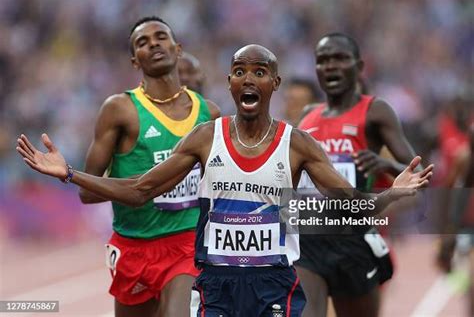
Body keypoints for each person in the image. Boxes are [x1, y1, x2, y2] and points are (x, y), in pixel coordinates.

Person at [17, 44, 433, 317]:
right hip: (216, 285)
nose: (248, 79)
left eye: (259, 72)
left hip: (273, 283)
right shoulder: (204, 137)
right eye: (239, 71)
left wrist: (391, 195)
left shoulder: (297, 144)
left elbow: (345, 202)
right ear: (230, 83)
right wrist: (69, 173)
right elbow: (139, 189)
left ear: (275, 83)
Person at [77, 16, 219, 317]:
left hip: (187, 243)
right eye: (142, 41)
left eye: (161, 36)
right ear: (134, 60)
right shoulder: (120, 110)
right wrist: (142, 186)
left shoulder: (210, 113)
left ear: (177, 48)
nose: (153, 43)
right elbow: (87, 192)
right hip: (134, 245)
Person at [296, 33, 422, 317]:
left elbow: (416, 173)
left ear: (359, 65)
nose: (330, 66)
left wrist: (384, 165)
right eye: (323, 60)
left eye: (340, 58)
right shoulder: (306, 116)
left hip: (353, 239)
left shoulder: (375, 111)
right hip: (309, 239)